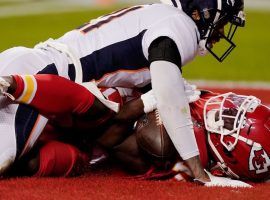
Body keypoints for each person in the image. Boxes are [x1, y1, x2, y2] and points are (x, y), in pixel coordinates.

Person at [0, 0, 246, 185]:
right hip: (42, 79)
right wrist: (199, 173)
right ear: (201, 12)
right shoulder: (181, 26)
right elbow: (169, 100)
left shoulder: (159, 16)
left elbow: (160, 94)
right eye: (223, 21)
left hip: (40, 72)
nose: (222, 32)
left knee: (63, 157)